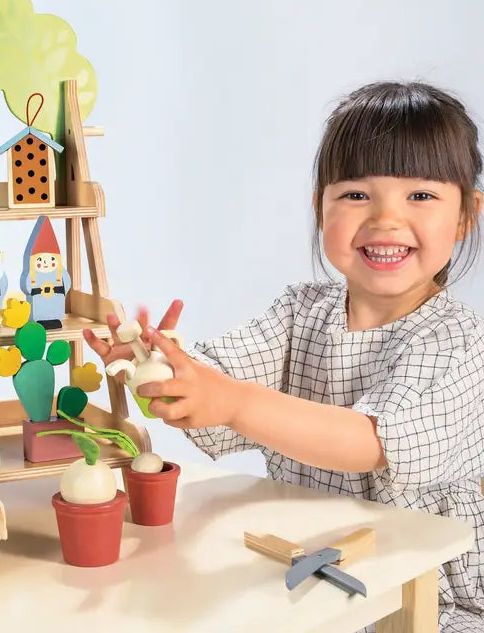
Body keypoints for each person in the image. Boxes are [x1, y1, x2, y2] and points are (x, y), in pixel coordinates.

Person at [83, 81, 484, 632]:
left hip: (423, 589)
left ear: (465, 216)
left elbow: (370, 443)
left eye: (420, 196)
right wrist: (159, 364)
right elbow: (219, 379)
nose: (385, 220)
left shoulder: (456, 341)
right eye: (356, 195)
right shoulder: (301, 312)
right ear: (320, 208)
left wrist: (233, 402)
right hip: (308, 567)